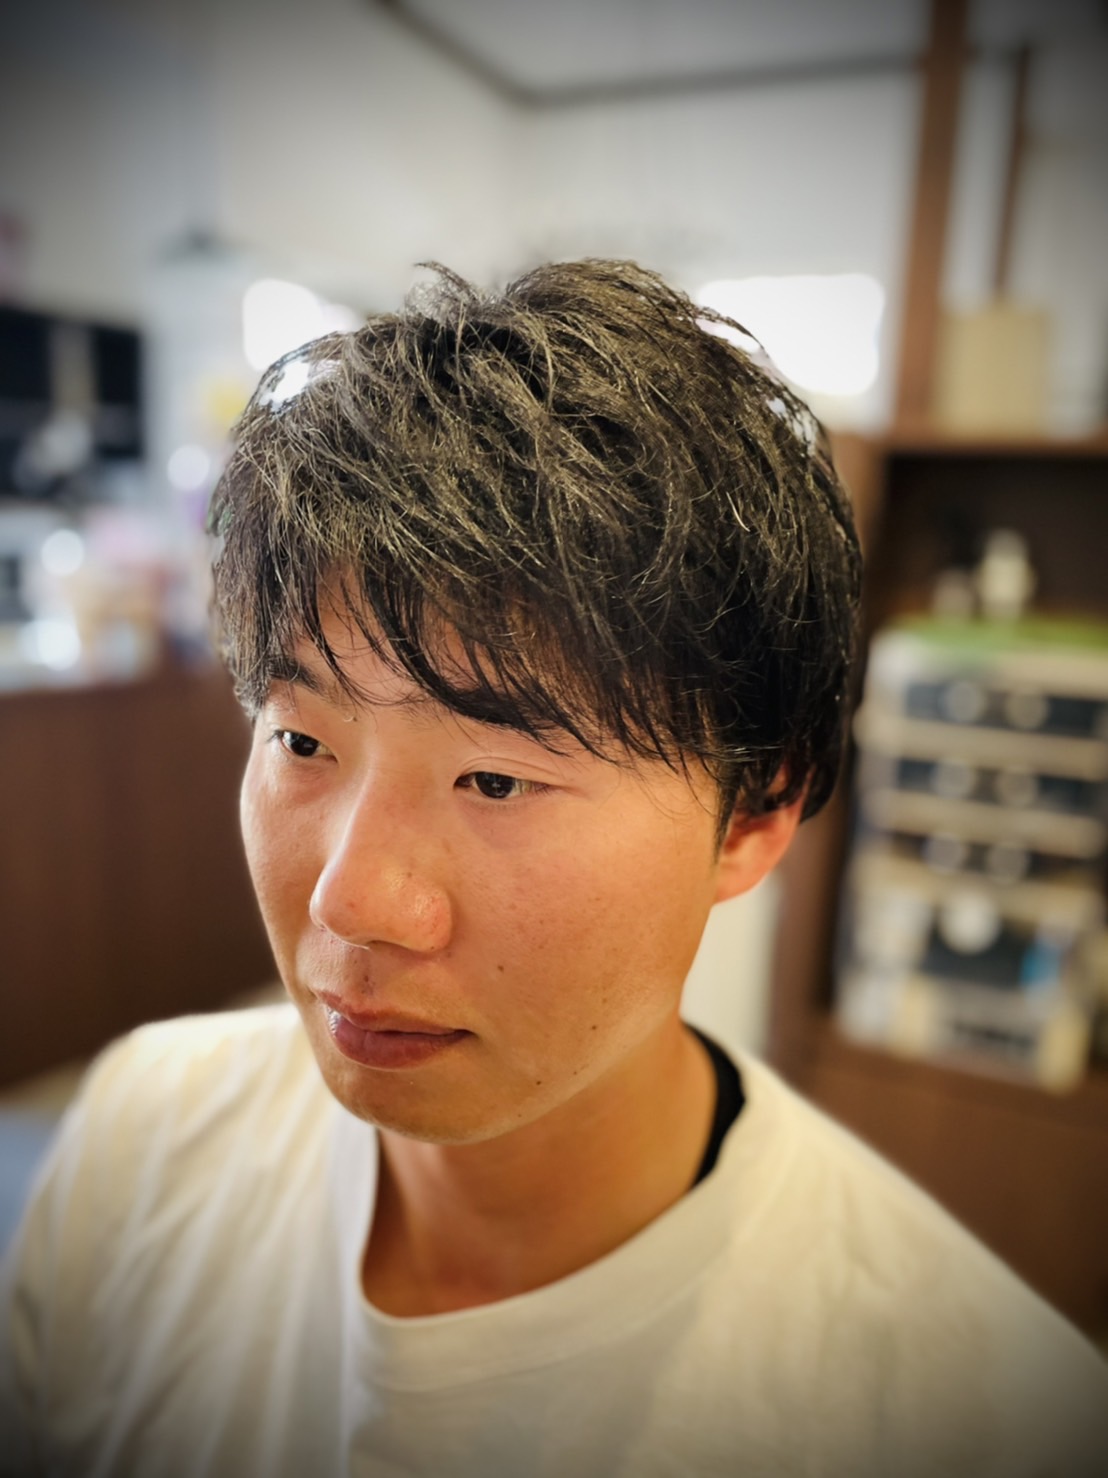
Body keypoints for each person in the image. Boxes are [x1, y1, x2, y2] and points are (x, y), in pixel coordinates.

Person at [2, 259, 1105, 1477]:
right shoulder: (142, 1136)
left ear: (755, 812)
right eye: (303, 742)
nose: (349, 902)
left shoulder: (982, 1413)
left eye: (496, 780)